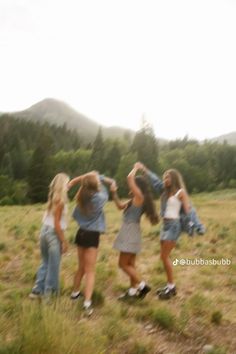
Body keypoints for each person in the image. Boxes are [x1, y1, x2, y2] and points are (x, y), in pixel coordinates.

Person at [136, 162, 191, 300]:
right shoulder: (164, 191)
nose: (165, 180)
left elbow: (187, 211)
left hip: (173, 226)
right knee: (164, 257)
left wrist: (189, 225)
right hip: (164, 226)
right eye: (164, 177)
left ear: (174, 179)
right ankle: (169, 285)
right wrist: (144, 169)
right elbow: (154, 179)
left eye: (168, 178)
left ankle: (172, 288)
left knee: (164, 257)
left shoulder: (180, 192)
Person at [69, 171, 115, 315]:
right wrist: (99, 177)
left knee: (81, 267)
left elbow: (75, 216)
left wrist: (89, 178)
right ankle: (87, 303)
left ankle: (75, 294)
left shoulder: (81, 199)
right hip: (91, 235)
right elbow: (106, 191)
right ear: (96, 184)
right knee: (90, 271)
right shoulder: (99, 198)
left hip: (81, 233)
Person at [112, 164, 159, 300]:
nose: (130, 187)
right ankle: (132, 292)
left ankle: (143, 286)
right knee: (130, 264)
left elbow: (129, 177)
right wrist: (114, 192)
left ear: (137, 187)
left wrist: (136, 168)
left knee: (122, 264)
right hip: (134, 231)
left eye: (133, 185)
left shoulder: (139, 197)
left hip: (129, 231)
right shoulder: (135, 199)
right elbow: (120, 206)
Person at [29, 173, 69, 299]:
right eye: (67, 183)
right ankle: (50, 295)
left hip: (44, 231)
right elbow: (57, 224)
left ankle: (37, 290)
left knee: (45, 262)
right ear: (63, 185)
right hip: (53, 234)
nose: (68, 186)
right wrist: (64, 241)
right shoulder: (61, 202)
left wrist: (74, 181)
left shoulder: (52, 197)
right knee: (54, 265)